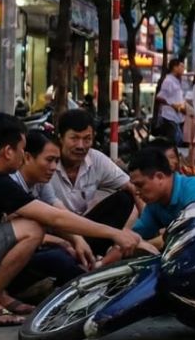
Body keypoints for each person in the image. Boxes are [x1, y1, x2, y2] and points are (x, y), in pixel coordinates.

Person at [0, 114, 145, 326]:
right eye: (23, 150)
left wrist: (76, 240)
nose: (24, 156)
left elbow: (55, 214)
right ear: (8, 152)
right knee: (31, 228)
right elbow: (53, 217)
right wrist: (114, 234)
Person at [48, 109, 145, 264]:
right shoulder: (48, 165)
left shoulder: (95, 159)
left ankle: (105, 255)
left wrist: (144, 223)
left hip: (85, 229)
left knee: (124, 199)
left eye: (87, 139)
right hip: (54, 233)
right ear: (60, 138)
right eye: (74, 138)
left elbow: (134, 187)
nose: (81, 145)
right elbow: (54, 216)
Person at [10, 130, 94, 282]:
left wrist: (78, 240)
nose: (54, 167)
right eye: (49, 160)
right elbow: (54, 219)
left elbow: (59, 210)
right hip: (8, 258)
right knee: (59, 258)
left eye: (56, 161)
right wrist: (60, 241)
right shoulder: (10, 184)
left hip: (35, 245)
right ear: (27, 157)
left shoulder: (41, 181)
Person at [127, 146, 195, 251]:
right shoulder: (155, 203)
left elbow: (190, 236)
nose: (136, 191)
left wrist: (144, 244)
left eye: (140, 185)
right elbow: (135, 235)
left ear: (159, 177)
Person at [155, 58, 187, 146]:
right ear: (175, 67)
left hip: (177, 117)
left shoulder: (177, 81)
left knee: (177, 141)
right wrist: (173, 105)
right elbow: (159, 97)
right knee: (172, 142)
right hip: (169, 117)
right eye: (181, 66)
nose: (183, 69)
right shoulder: (168, 81)